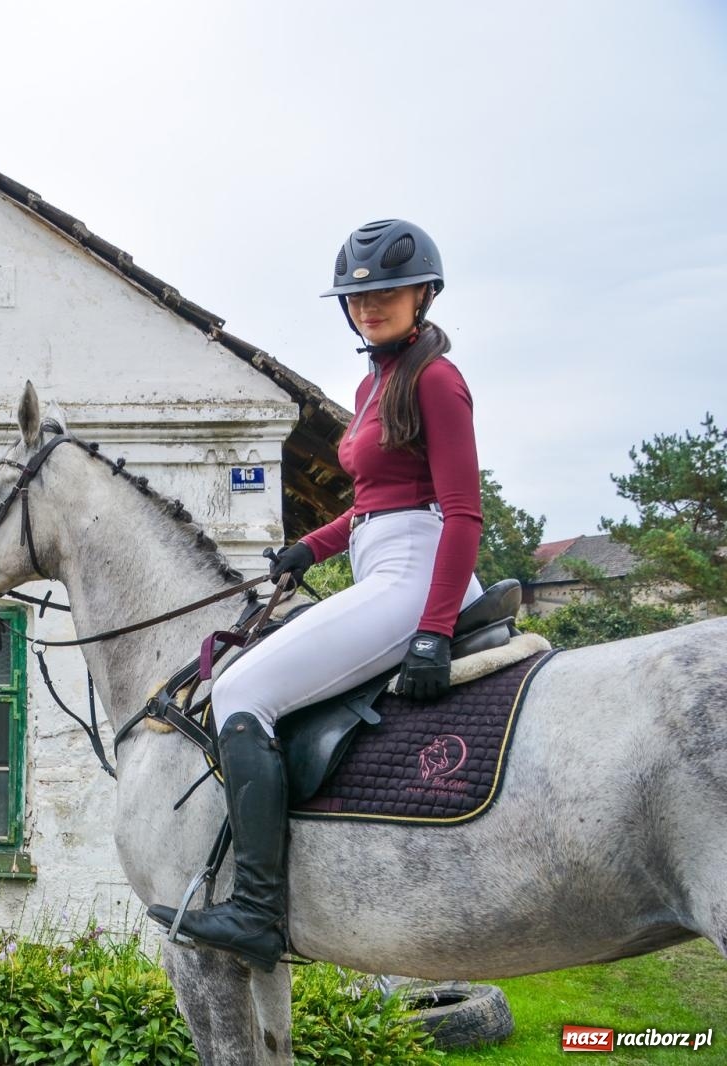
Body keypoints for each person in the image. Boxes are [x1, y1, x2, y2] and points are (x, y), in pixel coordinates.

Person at [147, 220, 485, 970]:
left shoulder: (435, 379)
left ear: (423, 293)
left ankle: (258, 911)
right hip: (385, 560)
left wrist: (433, 628)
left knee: (239, 690)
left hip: (421, 574)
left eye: (388, 293)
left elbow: (461, 512)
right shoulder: (375, 384)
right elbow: (374, 506)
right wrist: (312, 545)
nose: (371, 306)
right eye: (358, 296)